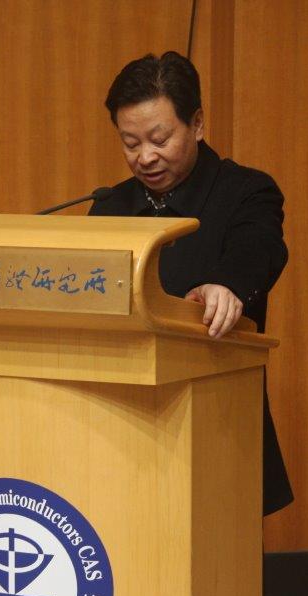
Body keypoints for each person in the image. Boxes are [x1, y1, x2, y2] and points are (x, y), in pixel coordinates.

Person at [90, 51, 293, 515]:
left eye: (160, 139)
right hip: (120, 425)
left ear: (197, 124)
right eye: (130, 143)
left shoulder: (245, 191)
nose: (145, 157)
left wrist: (227, 285)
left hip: (215, 421)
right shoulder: (109, 208)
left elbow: (259, 247)